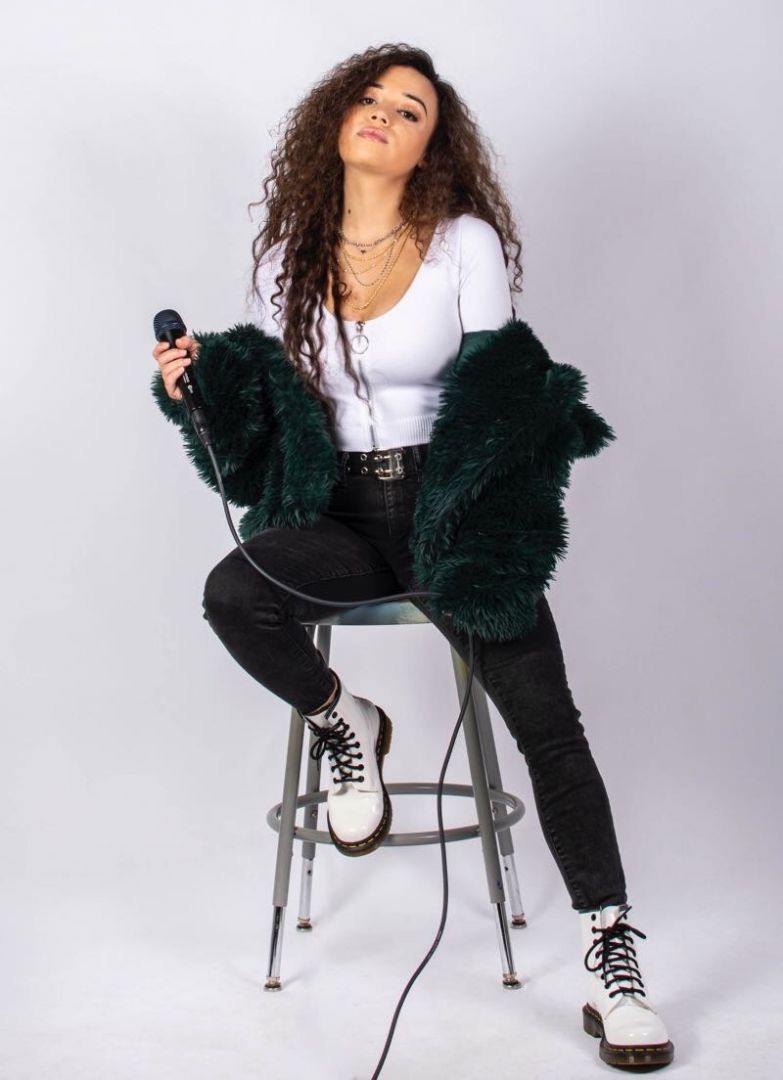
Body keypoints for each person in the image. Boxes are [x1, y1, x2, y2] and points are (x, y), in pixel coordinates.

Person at [151, 42, 674, 1071]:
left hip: (452, 508)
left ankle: (611, 957)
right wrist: (197, 390)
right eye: (372, 99)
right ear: (337, 120)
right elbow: (265, 428)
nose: (384, 115)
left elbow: (498, 401)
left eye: (411, 110)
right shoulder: (283, 261)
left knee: (549, 727)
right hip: (338, 513)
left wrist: (484, 534)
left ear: (431, 148)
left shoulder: (462, 244)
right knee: (233, 594)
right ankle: (345, 721)